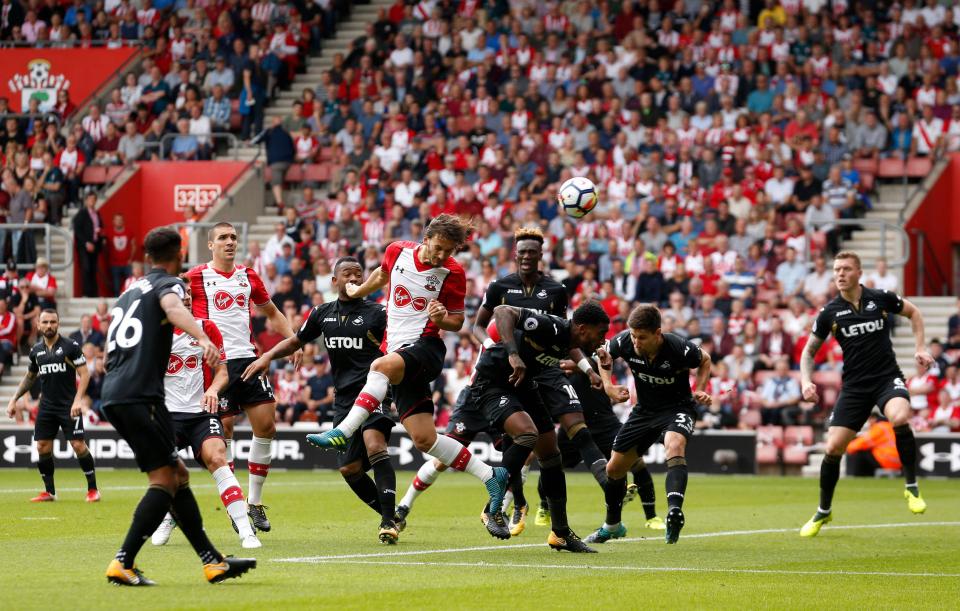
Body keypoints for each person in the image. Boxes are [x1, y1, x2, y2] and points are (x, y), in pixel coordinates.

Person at [304, 214, 511, 540]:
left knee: (379, 367)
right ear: (426, 238)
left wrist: (443, 318)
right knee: (425, 440)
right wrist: (360, 289)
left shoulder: (453, 272)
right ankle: (491, 475)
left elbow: (458, 321)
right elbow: (382, 276)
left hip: (426, 349)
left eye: (449, 251)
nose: (442, 256)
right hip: (399, 354)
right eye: (439, 248)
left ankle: (343, 431)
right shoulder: (397, 251)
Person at [394, 227, 609, 536]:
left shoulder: (556, 291)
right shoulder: (500, 287)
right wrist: (502, 350)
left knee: (537, 446)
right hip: (493, 375)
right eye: (520, 252)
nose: (525, 257)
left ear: (540, 255)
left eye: (531, 252)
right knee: (453, 451)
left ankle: (535, 518)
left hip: (529, 378)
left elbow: (570, 335)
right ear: (514, 254)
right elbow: (480, 325)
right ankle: (407, 506)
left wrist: (589, 367)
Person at [100, 227, 255, 585]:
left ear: (147, 255)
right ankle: (123, 561)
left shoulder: (128, 292)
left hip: (116, 392)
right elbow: (172, 306)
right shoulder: (169, 285)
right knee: (165, 479)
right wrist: (201, 337)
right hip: (142, 397)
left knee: (178, 476)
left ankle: (212, 561)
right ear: (178, 254)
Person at [242, 257, 401, 544]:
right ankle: (390, 512)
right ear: (334, 281)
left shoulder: (378, 313)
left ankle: (388, 522)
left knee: (375, 443)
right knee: (349, 469)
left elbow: (398, 345)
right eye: (347, 274)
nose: (353, 278)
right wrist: (267, 356)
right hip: (343, 400)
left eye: (358, 273)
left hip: (374, 390)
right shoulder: (322, 313)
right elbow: (295, 342)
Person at [799, 251, 933, 538]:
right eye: (836, 270)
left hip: (887, 378)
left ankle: (911, 487)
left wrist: (920, 347)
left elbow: (914, 313)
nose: (840, 274)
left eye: (846, 268)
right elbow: (809, 351)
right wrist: (805, 381)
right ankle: (824, 510)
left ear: (859, 272)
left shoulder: (881, 298)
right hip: (855, 387)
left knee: (899, 416)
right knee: (833, 447)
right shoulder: (829, 313)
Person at [186, 222, 300, 534]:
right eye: (222, 238)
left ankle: (254, 502)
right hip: (214, 364)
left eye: (233, 237)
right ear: (210, 245)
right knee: (223, 431)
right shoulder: (194, 277)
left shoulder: (248, 276)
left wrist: (293, 340)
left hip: (248, 360)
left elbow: (273, 313)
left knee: (267, 425)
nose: (229, 242)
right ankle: (234, 504)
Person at [472, 302, 611, 552]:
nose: (602, 340)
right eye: (600, 333)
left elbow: (575, 352)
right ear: (582, 328)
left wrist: (590, 371)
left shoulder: (570, 340)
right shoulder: (551, 326)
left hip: (524, 385)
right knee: (527, 433)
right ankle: (492, 507)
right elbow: (502, 311)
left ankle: (560, 533)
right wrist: (513, 354)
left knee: (551, 455)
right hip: (492, 383)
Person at [588, 304, 712, 545]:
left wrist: (700, 389)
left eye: (642, 337)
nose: (635, 342)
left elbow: (705, 360)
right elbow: (604, 355)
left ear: (658, 333)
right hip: (644, 411)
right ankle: (612, 526)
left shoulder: (679, 348)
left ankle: (674, 511)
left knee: (674, 444)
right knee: (613, 470)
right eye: (633, 336)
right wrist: (608, 386)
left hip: (678, 408)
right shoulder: (624, 341)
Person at [150, 282, 261, 550]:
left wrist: (212, 389)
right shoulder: (156, 333)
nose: (186, 299)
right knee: (167, 472)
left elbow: (222, 371)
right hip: (168, 417)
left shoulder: (208, 329)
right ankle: (168, 516)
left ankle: (246, 531)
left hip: (202, 414)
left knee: (218, 458)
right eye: (180, 296)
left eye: (189, 295)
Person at [551, 356, 665, 531]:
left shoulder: (593, 352)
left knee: (637, 462)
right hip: (574, 423)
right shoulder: (558, 350)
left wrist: (573, 365)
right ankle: (544, 507)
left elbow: (594, 363)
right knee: (553, 463)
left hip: (605, 422)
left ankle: (652, 517)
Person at [5, 310, 98, 503]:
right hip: (46, 406)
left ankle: (93, 489)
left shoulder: (70, 346)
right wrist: (14, 399)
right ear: (38, 325)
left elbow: (85, 374)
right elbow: (30, 377)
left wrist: (78, 399)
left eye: (53, 322)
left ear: (58, 324)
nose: (49, 325)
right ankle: (50, 492)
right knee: (42, 446)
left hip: (68, 405)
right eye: (45, 322)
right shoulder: (36, 351)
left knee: (78, 445)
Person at [72, 191, 105, 297]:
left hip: (95, 245)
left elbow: (100, 227)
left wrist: (101, 237)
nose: (92, 201)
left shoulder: (96, 213)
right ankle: (86, 293)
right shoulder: (82, 213)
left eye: (94, 199)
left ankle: (93, 293)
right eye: (90, 199)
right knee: (86, 269)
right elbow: (77, 230)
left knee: (93, 269)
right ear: (86, 200)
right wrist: (86, 243)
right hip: (85, 246)